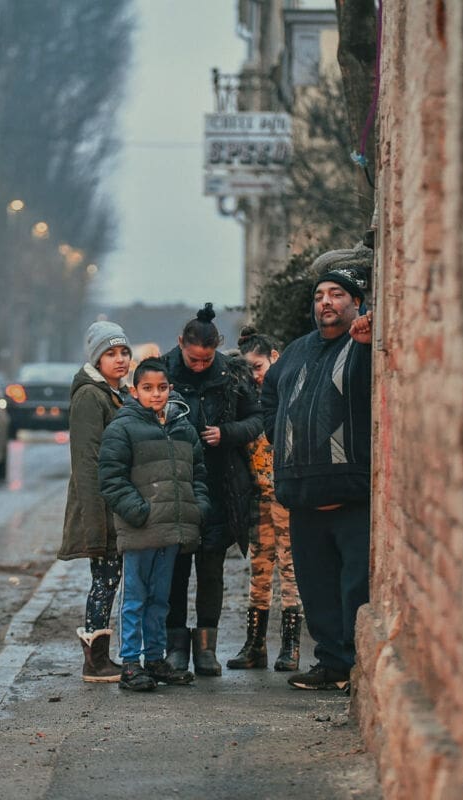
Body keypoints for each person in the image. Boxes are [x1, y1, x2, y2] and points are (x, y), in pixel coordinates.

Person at [261, 253, 374, 691]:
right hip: (303, 495)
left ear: (357, 303)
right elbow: (270, 393)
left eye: (337, 295)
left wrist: (366, 341)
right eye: (320, 296)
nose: (326, 302)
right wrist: (279, 434)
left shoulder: (364, 343)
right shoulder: (297, 350)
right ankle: (331, 664)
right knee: (317, 589)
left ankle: (355, 665)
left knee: (355, 587)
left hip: (351, 493)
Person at [161, 304, 263, 676]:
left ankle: (206, 649)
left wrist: (227, 433)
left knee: (211, 570)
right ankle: (176, 648)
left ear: (217, 348)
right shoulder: (161, 373)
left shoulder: (234, 375)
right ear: (180, 345)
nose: (200, 366)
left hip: (221, 487)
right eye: (193, 359)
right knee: (174, 571)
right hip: (175, 487)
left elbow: (257, 418)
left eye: (206, 360)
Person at [99, 358, 211, 691]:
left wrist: (197, 508)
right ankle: (131, 663)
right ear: (134, 391)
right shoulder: (122, 428)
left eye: (162, 388)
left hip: (172, 531)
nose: (156, 394)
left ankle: (155, 659)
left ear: (170, 390)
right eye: (147, 388)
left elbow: (199, 475)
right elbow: (111, 478)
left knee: (161, 599)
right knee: (135, 597)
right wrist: (139, 512)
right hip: (140, 530)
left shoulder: (183, 428)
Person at [227, 327, 303, 672]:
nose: (255, 375)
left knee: (290, 570)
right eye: (250, 369)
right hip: (259, 496)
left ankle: (291, 646)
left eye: (258, 366)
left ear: (274, 357)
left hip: (286, 496)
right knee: (259, 569)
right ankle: (255, 645)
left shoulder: (292, 387)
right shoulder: (249, 397)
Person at [59, 320, 132, 682]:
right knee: (104, 581)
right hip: (100, 506)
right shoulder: (91, 396)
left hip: (115, 505)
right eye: (110, 353)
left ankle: (102, 657)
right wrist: (93, 524)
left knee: (111, 580)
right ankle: (95, 661)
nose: (119, 359)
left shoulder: (117, 393)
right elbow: (86, 462)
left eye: (123, 352)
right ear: (96, 359)